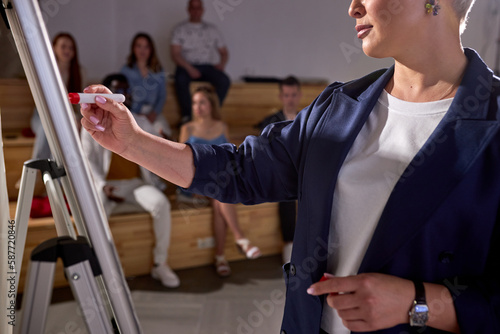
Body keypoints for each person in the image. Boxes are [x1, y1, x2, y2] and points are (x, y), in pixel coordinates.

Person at [81, 0, 500, 333]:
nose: (351, 8)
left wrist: (420, 305)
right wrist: (132, 143)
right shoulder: (338, 106)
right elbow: (243, 169)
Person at [81, 73, 180, 288]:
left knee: (161, 204)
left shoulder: (141, 121)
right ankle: (103, 271)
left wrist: (167, 139)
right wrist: (102, 185)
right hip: (108, 186)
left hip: (137, 184)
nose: (122, 95)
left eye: (126, 90)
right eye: (117, 90)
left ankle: (160, 263)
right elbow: (87, 160)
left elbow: (158, 146)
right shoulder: (93, 122)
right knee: (94, 211)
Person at [178, 86, 261, 277]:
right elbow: (182, 162)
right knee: (221, 193)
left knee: (219, 197)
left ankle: (221, 258)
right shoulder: (187, 128)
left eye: (202, 102)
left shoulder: (222, 127)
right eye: (194, 102)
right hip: (194, 183)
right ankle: (240, 239)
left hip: (218, 184)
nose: (197, 107)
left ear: (211, 105)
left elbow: (231, 156)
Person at [256, 76, 302, 264]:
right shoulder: (270, 122)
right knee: (287, 192)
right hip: (281, 170)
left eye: (293, 95)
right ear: (280, 97)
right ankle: (289, 245)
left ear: (299, 96)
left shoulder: (306, 118)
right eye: (286, 95)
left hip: (303, 168)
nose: (290, 99)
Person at [171, 0, 231, 125]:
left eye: (198, 8)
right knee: (180, 79)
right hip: (186, 66)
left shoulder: (212, 29)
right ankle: (187, 116)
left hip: (207, 66)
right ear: (188, 9)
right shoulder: (180, 29)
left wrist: (222, 64)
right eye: (193, 8)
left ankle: (211, 112)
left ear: (202, 10)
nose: (196, 11)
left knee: (224, 80)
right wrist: (189, 68)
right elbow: (175, 54)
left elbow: (224, 52)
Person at [31, 32, 84, 160]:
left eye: (71, 48)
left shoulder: (79, 72)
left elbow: (79, 103)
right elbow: (46, 102)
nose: (67, 50)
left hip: (68, 118)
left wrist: (76, 118)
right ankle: (38, 167)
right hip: (42, 115)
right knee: (49, 126)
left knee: (62, 130)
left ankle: (56, 173)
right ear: (54, 48)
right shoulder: (45, 71)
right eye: (63, 46)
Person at [121, 32, 172, 139]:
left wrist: (154, 114)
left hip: (153, 114)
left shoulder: (158, 70)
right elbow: (123, 95)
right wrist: (134, 113)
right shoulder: (126, 70)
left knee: (163, 133)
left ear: (151, 49)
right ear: (133, 48)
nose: (142, 50)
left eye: (146, 47)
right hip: (133, 114)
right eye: (139, 46)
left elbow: (162, 95)